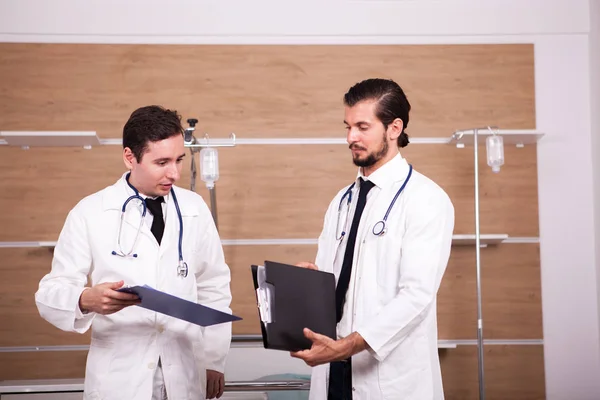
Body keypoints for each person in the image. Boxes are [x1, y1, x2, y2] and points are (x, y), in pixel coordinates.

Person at [35, 105, 233, 400]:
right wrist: (84, 299)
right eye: (162, 162)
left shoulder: (194, 209)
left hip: (185, 371)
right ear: (130, 157)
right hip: (121, 379)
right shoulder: (90, 212)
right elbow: (50, 292)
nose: (175, 173)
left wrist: (214, 360)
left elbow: (213, 286)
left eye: (179, 160)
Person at [292, 79, 455, 400]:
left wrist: (346, 347)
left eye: (363, 127)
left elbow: (416, 297)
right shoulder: (342, 200)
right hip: (335, 370)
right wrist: (311, 285)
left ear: (394, 128)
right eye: (348, 126)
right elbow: (338, 282)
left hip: (388, 376)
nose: (351, 137)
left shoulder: (426, 199)